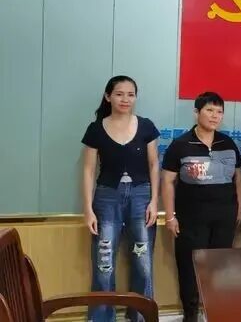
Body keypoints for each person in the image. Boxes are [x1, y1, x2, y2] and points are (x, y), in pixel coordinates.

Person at [81, 75, 160, 322]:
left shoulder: (146, 126)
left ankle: (140, 316)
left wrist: (154, 201)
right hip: (106, 198)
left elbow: (154, 164)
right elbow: (88, 170)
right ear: (108, 97)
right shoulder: (96, 129)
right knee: (104, 264)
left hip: (141, 196)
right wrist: (88, 209)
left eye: (130, 94)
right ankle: (102, 318)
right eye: (119, 94)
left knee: (143, 263)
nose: (125, 99)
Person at [161, 92, 241, 322]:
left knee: (219, 269)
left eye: (219, 112)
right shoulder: (180, 145)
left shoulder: (228, 143)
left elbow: (238, 178)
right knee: (189, 268)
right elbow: (167, 181)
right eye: (209, 110)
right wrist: (170, 216)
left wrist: (239, 208)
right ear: (197, 112)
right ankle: (191, 315)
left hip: (224, 217)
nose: (215, 116)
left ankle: (215, 313)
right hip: (191, 218)